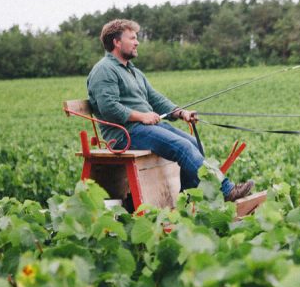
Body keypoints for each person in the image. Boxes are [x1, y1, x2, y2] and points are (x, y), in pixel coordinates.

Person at [86, 19, 255, 202]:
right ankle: (226, 190)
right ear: (116, 42)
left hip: (142, 129)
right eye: (132, 38)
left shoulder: (133, 71)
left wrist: (180, 112)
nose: (137, 42)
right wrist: (142, 116)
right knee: (182, 147)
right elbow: (108, 107)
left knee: (195, 144)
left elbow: (155, 98)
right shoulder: (104, 70)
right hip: (124, 135)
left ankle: (186, 200)